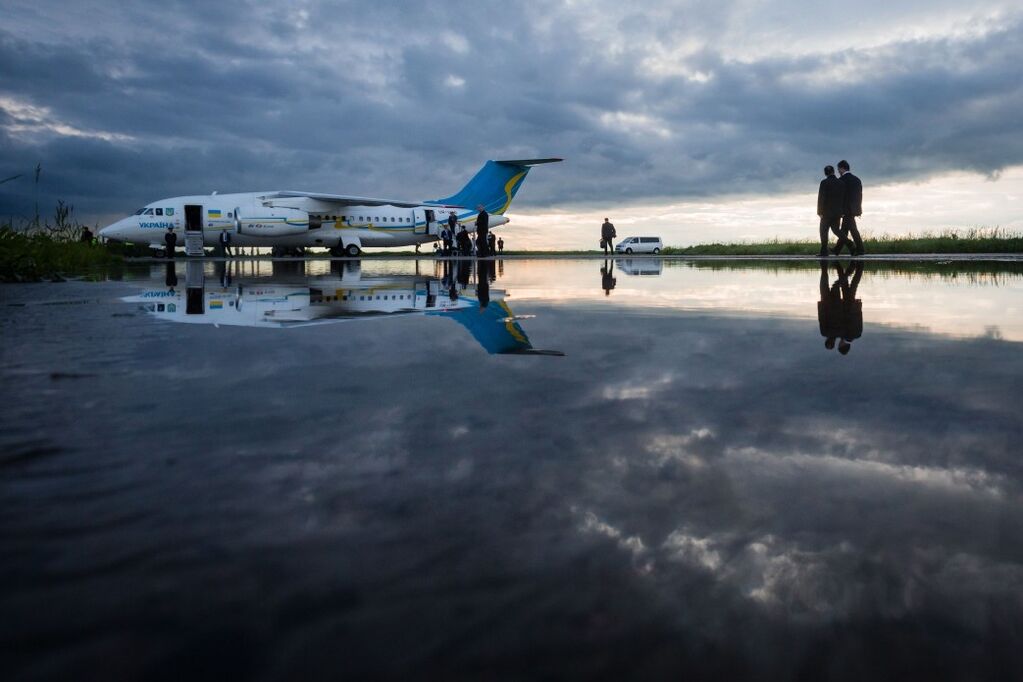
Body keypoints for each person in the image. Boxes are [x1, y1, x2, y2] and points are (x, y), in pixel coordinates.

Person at [834, 160, 864, 256]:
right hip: (854, 208)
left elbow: (840, 197)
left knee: (852, 230)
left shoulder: (841, 180)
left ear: (842, 168)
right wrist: (858, 209)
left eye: (838, 169)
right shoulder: (857, 180)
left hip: (846, 210)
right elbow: (859, 196)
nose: (838, 171)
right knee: (844, 230)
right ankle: (837, 249)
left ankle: (860, 249)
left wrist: (839, 210)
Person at [817, 165, 845, 258]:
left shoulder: (824, 183)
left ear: (825, 173)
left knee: (823, 231)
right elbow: (843, 198)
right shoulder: (841, 183)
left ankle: (824, 251)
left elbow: (821, 198)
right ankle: (850, 244)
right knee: (836, 230)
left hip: (826, 213)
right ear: (834, 171)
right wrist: (842, 211)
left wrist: (819, 211)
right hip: (837, 212)